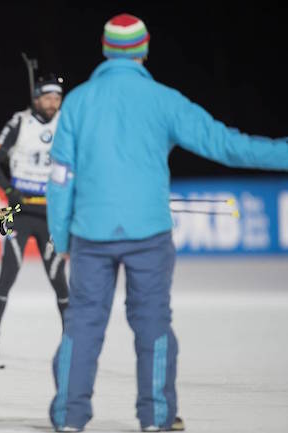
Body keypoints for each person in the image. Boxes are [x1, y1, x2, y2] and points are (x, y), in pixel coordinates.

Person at [46, 13, 288, 432]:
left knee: (83, 323)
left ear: (106, 49)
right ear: (143, 48)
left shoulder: (78, 102)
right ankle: (156, 418)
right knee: (153, 324)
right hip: (148, 234)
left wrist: (61, 233)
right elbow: (226, 145)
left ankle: (69, 417)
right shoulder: (164, 99)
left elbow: (60, 178)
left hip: (90, 232)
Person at [0, 75, 70, 363]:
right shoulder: (20, 122)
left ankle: (73, 340)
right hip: (21, 214)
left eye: (57, 98)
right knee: (7, 276)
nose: (53, 103)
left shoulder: (66, 123)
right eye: (48, 97)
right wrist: (9, 190)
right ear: (36, 98)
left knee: (59, 280)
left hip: (51, 216)